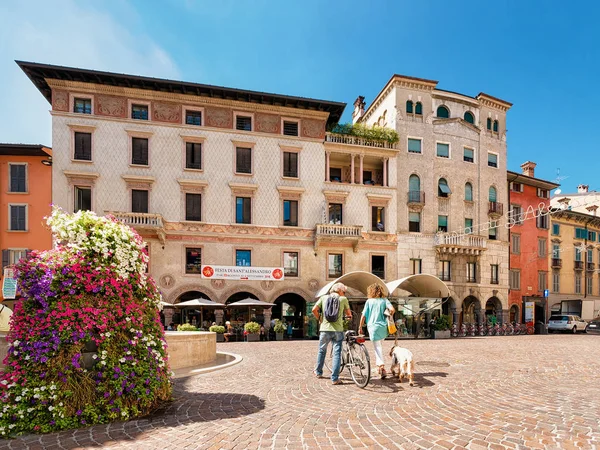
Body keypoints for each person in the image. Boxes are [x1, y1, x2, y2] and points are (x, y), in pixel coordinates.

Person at [312, 282, 351, 385]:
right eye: (344, 291)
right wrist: (347, 318)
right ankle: (334, 378)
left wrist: (320, 319)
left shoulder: (324, 298)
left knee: (321, 350)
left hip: (324, 329)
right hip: (338, 329)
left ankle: (318, 372)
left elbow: (314, 309)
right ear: (340, 291)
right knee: (337, 353)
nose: (344, 294)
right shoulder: (343, 299)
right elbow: (349, 314)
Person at [359, 283, 394, 379]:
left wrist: (360, 327)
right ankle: (379, 367)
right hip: (383, 327)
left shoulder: (369, 301)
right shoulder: (384, 300)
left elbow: (363, 316)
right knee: (379, 346)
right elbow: (392, 309)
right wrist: (388, 314)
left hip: (373, 327)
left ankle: (381, 366)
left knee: (377, 347)